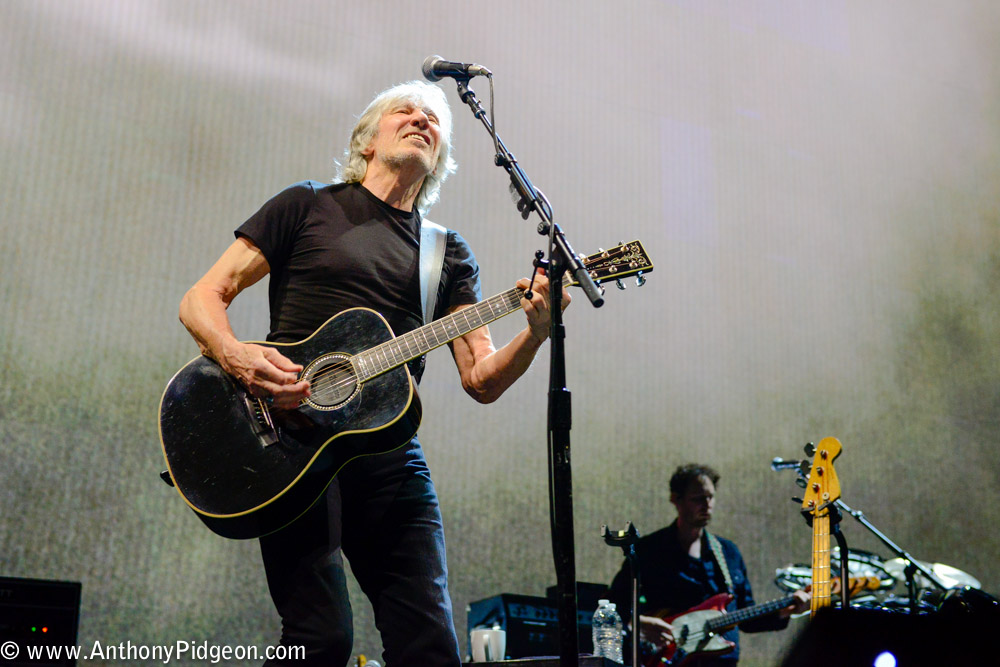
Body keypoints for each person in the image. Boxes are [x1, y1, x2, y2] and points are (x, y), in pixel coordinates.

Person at [178, 80, 570, 666]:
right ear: (368, 140)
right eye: (404, 111)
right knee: (321, 640)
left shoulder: (447, 253)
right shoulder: (306, 205)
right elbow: (203, 298)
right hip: (289, 440)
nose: (421, 119)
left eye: (434, 118)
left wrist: (536, 334)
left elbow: (482, 378)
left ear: (439, 156)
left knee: (431, 647)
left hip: (389, 456)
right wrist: (238, 357)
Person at [608, 464, 809, 665]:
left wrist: (785, 610)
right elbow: (611, 606)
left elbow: (745, 616)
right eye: (698, 498)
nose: (706, 504)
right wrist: (639, 624)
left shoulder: (728, 552)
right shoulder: (649, 550)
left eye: (710, 497)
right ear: (675, 499)